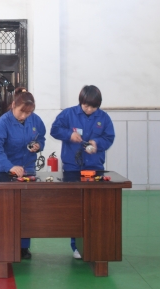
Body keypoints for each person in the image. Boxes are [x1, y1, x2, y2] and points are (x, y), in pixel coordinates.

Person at [50, 85, 115, 259]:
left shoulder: (104, 118)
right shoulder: (68, 114)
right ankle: (76, 246)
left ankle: (95, 243)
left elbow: (109, 138)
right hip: (72, 167)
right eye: (86, 106)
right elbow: (54, 130)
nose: (89, 110)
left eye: (93, 107)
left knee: (95, 207)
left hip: (94, 167)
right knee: (76, 208)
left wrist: (96, 144)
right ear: (81, 102)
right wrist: (68, 135)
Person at [0, 87, 46, 259]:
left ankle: (23, 247)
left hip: (28, 170)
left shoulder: (35, 120)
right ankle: (3, 245)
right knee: (4, 212)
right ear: (13, 105)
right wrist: (9, 166)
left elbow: (41, 137)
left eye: (28, 113)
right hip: (5, 172)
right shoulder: (3, 123)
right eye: (22, 112)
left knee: (25, 211)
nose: (24, 116)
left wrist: (39, 146)